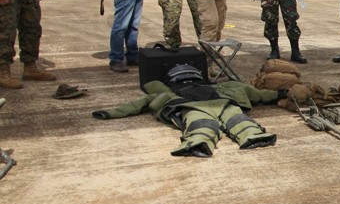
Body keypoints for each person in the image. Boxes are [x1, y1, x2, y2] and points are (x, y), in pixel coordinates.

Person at [91, 64, 304, 157]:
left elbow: (136, 105)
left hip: (193, 107)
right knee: (238, 120)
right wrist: (280, 94)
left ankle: (199, 143)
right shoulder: (219, 86)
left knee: (203, 126)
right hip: (220, 103)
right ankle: (254, 136)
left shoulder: (167, 92)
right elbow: (256, 95)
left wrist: (111, 112)